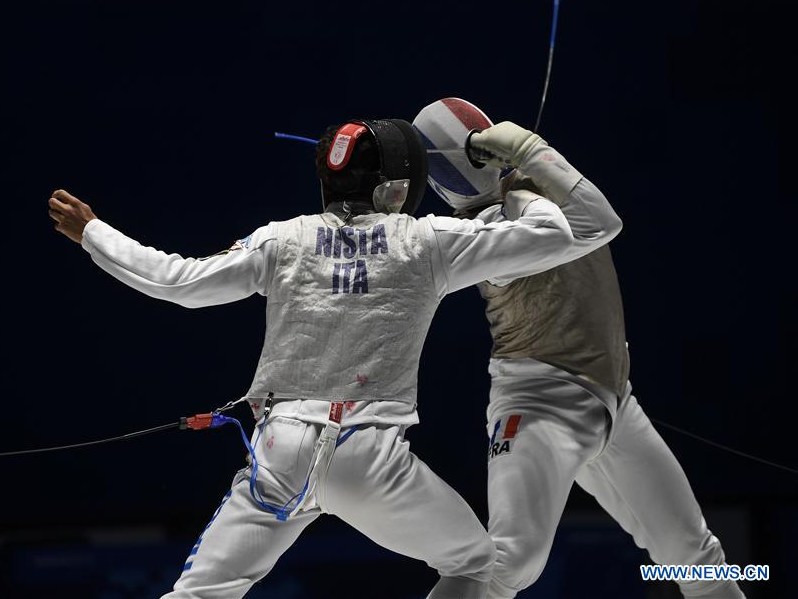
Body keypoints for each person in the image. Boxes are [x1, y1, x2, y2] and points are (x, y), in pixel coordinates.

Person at [48, 117, 611, 599]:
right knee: (479, 566)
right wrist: (518, 182)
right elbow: (561, 230)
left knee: (197, 595)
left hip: (279, 455)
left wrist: (94, 233)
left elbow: (180, 282)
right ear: (397, 188)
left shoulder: (281, 239)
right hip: (367, 460)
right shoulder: (429, 241)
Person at [414, 97, 745, 599]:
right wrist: (529, 149)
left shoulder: (535, 187)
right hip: (538, 408)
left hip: (616, 405)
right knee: (508, 562)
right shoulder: (488, 235)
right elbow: (601, 222)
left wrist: (529, 161)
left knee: (697, 557)